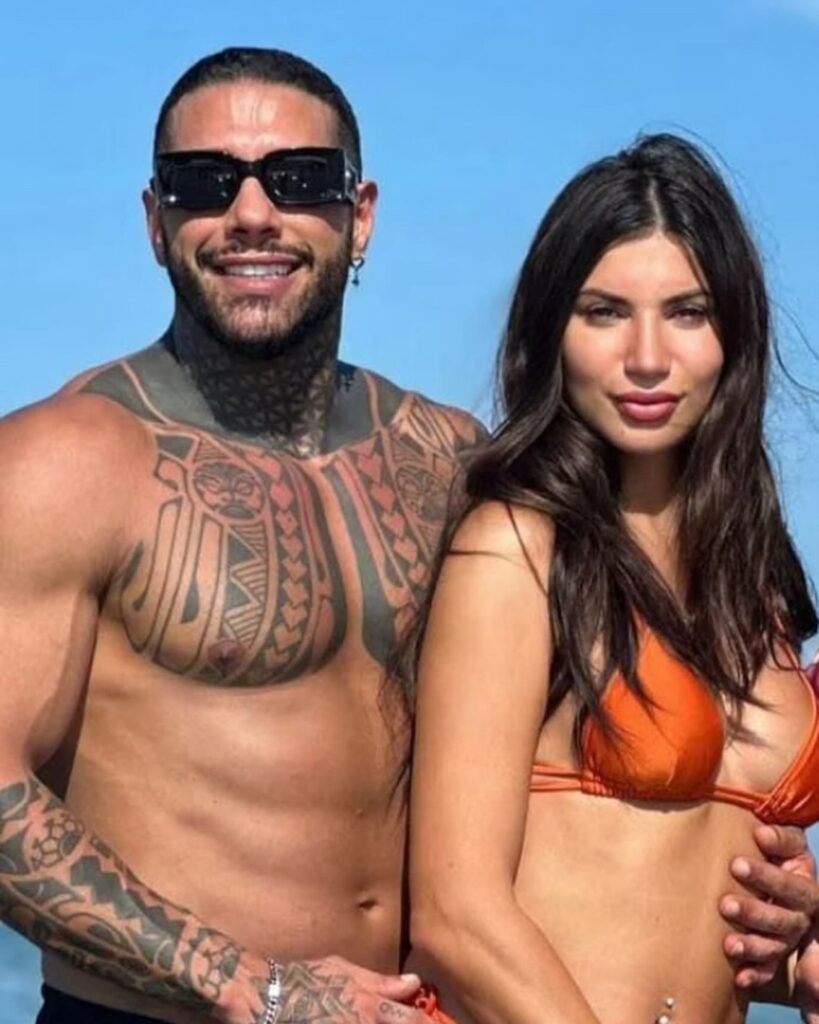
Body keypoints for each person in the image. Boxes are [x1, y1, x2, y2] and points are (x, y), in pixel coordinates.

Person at [0, 48, 814, 1024]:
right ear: (154, 219)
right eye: (203, 182)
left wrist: (772, 919)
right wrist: (245, 981)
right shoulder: (69, 461)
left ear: (361, 216)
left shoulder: (451, 462)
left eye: (299, 178)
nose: (252, 212)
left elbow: (571, 788)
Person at [405, 133, 819, 1023]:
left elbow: (697, 906)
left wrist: (802, 955)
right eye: (602, 313)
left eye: (687, 313)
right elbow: (454, 916)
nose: (645, 357)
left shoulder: (753, 580)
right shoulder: (515, 549)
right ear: (551, 330)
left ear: (733, 331)